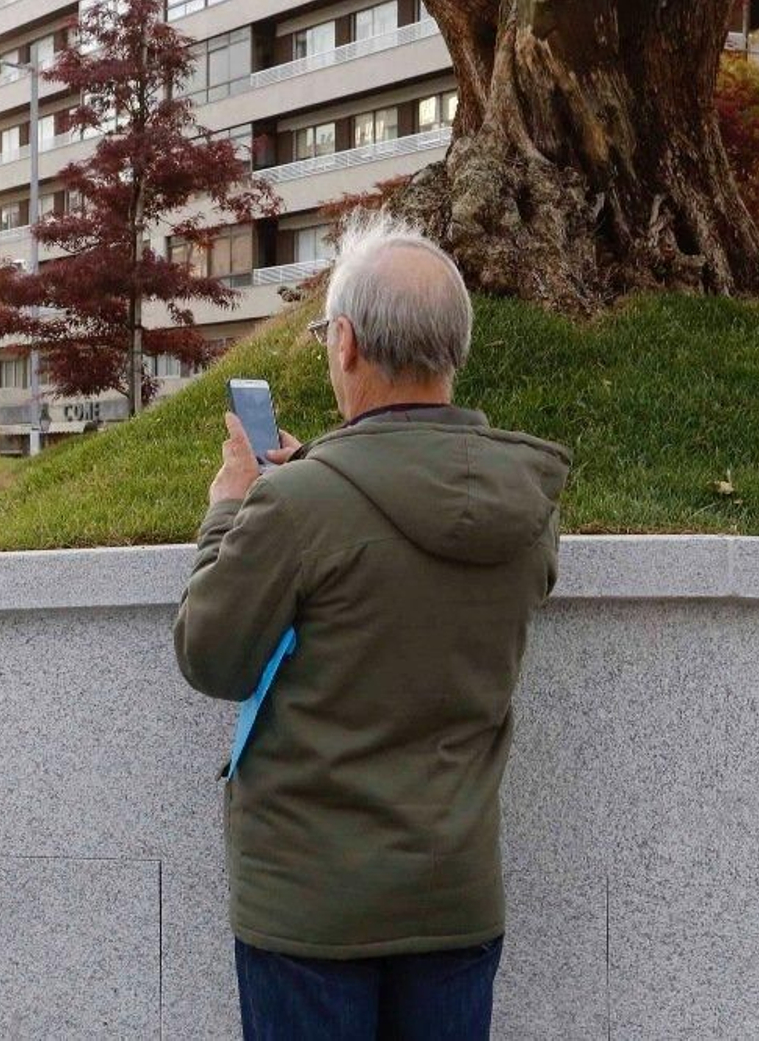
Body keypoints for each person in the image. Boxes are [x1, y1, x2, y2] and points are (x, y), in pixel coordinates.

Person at [173, 217, 572, 1040]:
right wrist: (317, 469)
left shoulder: (297, 505)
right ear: (452, 351)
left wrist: (228, 513)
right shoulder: (529, 507)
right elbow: (413, 512)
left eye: (325, 333)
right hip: (454, 897)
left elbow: (211, 655)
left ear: (346, 342)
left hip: (310, 909)